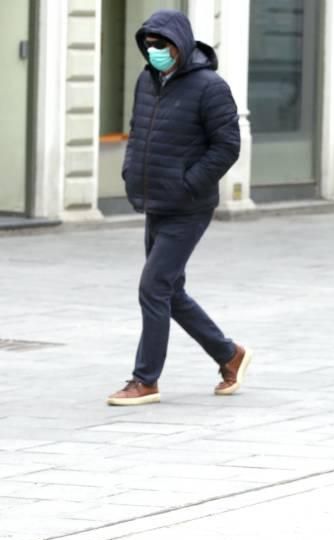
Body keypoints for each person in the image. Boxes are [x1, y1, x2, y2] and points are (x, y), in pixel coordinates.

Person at [107, 10, 252, 406]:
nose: (155, 52)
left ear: (181, 45)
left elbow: (227, 147)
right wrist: (130, 170)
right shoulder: (147, 80)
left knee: (153, 286)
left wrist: (189, 183)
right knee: (169, 290)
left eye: (163, 45)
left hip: (188, 206)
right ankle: (229, 355)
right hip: (155, 200)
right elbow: (138, 132)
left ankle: (145, 380)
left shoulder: (210, 87)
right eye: (150, 45)